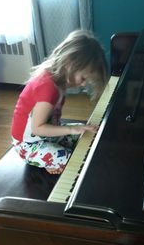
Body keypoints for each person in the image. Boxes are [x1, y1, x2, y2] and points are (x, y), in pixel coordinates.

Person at [11, 29, 108, 175]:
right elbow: (37, 128)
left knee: (86, 132)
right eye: (83, 78)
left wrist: (75, 129)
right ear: (70, 63)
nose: (83, 84)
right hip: (27, 145)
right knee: (71, 160)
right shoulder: (47, 88)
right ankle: (46, 163)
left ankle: (51, 158)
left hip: (45, 134)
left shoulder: (58, 79)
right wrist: (70, 130)